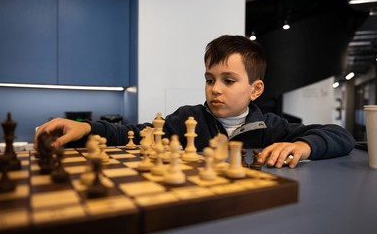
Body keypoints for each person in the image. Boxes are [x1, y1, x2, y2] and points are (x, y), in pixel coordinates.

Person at [34, 35, 355, 168]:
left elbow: (341, 136)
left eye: (228, 81)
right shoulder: (185, 119)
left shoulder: (272, 127)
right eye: (209, 79)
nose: (215, 89)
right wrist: (85, 128)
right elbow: (131, 134)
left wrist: (303, 147)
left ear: (255, 90)